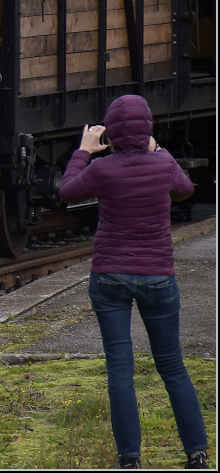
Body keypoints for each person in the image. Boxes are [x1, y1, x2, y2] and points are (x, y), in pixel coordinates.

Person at [60, 94, 208, 469]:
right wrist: (159, 150)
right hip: (158, 277)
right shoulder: (163, 163)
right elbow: (186, 190)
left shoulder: (102, 169)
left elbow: (66, 191)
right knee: (172, 366)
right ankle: (196, 453)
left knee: (120, 369)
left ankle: (130, 460)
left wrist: (83, 150)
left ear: (110, 131)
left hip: (109, 277)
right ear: (148, 129)